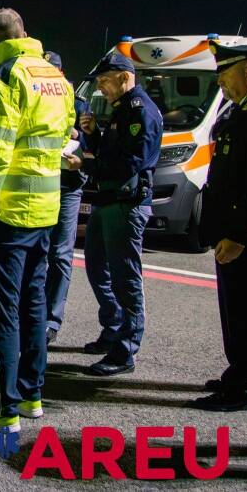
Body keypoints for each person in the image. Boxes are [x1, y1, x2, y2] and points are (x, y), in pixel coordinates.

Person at [0, 8, 74, 434]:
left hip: (8, 214)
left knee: (2, 312)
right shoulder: (56, 77)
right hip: (45, 209)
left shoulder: (2, 79)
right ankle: (31, 394)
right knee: (33, 304)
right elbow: (64, 134)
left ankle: (3, 407)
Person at [80, 51, 162, 376]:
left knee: (126, 278)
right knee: (98, 268)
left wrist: (86, 163)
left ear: (125, 78)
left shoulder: (140, 112)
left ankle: (125, 350)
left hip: (125, 205)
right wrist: (94, 135)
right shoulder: (122, 110)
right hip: (109, 201)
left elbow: (130, 162)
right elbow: (113, 152)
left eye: (104, 81)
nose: (101, 89)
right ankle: (113, 329)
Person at [193, 40, 247, 411]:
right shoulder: (236, 113)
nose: (222, 87)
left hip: (243, 238)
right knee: (234, 310)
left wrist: (241, 235)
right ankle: (239, 373)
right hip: (228, 234)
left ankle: (245, 386)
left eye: (225, 77)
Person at [42, 51, 90, 346]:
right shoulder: (36, 98)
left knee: (60, 254)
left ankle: (51, 319)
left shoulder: (79, 103)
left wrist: (77, 135)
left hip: (69, 185)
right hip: (41, 182)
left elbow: (92, 143)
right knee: (37, 251)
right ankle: (34, 314)